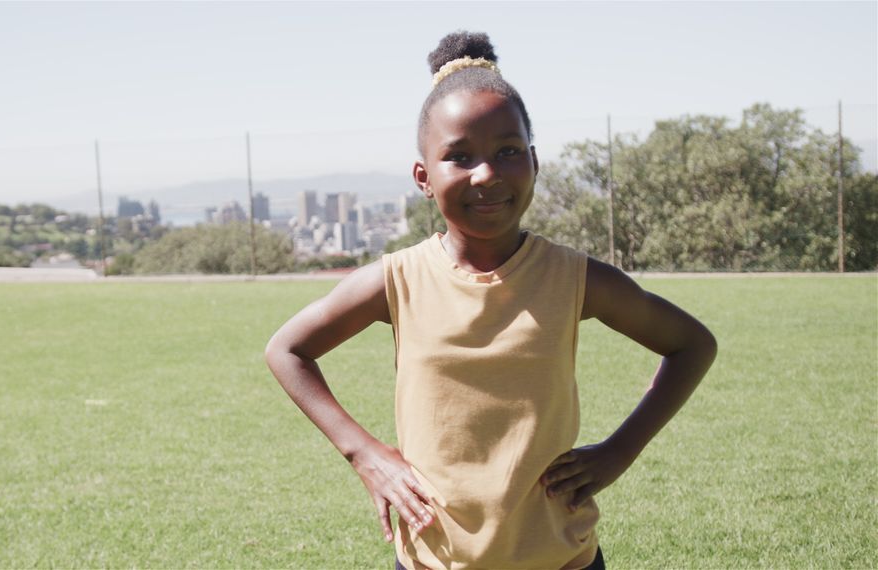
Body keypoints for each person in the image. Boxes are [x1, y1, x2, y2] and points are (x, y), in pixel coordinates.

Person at [265, 31, 717, 570]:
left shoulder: (575, 278)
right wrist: (363, 452)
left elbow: (692, 345)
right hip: (435, 560)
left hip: (560, 558)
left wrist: (621, 451)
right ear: (423, 178)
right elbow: (287, 349)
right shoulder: (398, 279)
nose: (486, 174)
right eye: (459, 156)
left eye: (507, 151)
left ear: (534, 160)